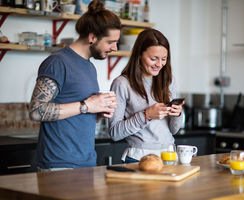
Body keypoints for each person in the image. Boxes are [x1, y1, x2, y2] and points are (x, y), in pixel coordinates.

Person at [29, 0, 121, 171]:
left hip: (86, 163)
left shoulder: (89, 66)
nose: (115, 47)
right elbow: (36, 111)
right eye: (110, 42)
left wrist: (98, 111)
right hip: (58, 165)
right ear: (92, 37)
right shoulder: (57, 62)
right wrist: (86, 106)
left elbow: (80, 112)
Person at [109, 29, 184, 163]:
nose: (159, 64)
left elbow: (173, 130)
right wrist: (146, 115)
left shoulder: (169, 80)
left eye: (164, 59)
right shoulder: (122, 84)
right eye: (153, 59)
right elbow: (115, 133)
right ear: (139, 55)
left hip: (169, 156)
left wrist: (177, 115)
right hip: (139, 158)